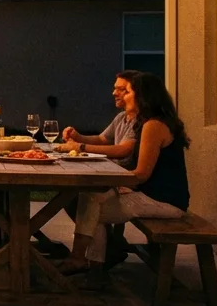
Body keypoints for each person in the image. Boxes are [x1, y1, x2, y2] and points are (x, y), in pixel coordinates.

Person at [59, 72, 189, 275]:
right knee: (89, 199)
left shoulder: (154, 126)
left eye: (126, 91)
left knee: (89, 210)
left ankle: (88, 263)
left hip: (164, 200)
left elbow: (142, 174)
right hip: (150, 193)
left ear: (143, 96)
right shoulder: (146, 122)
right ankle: (90, 265)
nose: (119, 94)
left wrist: (115, 182)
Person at [58, 71, 141, 168]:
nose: (114, 93)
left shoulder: (142, 120)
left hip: (124, 176)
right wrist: (78, 137)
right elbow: (102, 139)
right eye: (115, 88)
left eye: (122, 89)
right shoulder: (121, 116)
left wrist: (80, 147)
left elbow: (124, 150)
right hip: (114, 171)